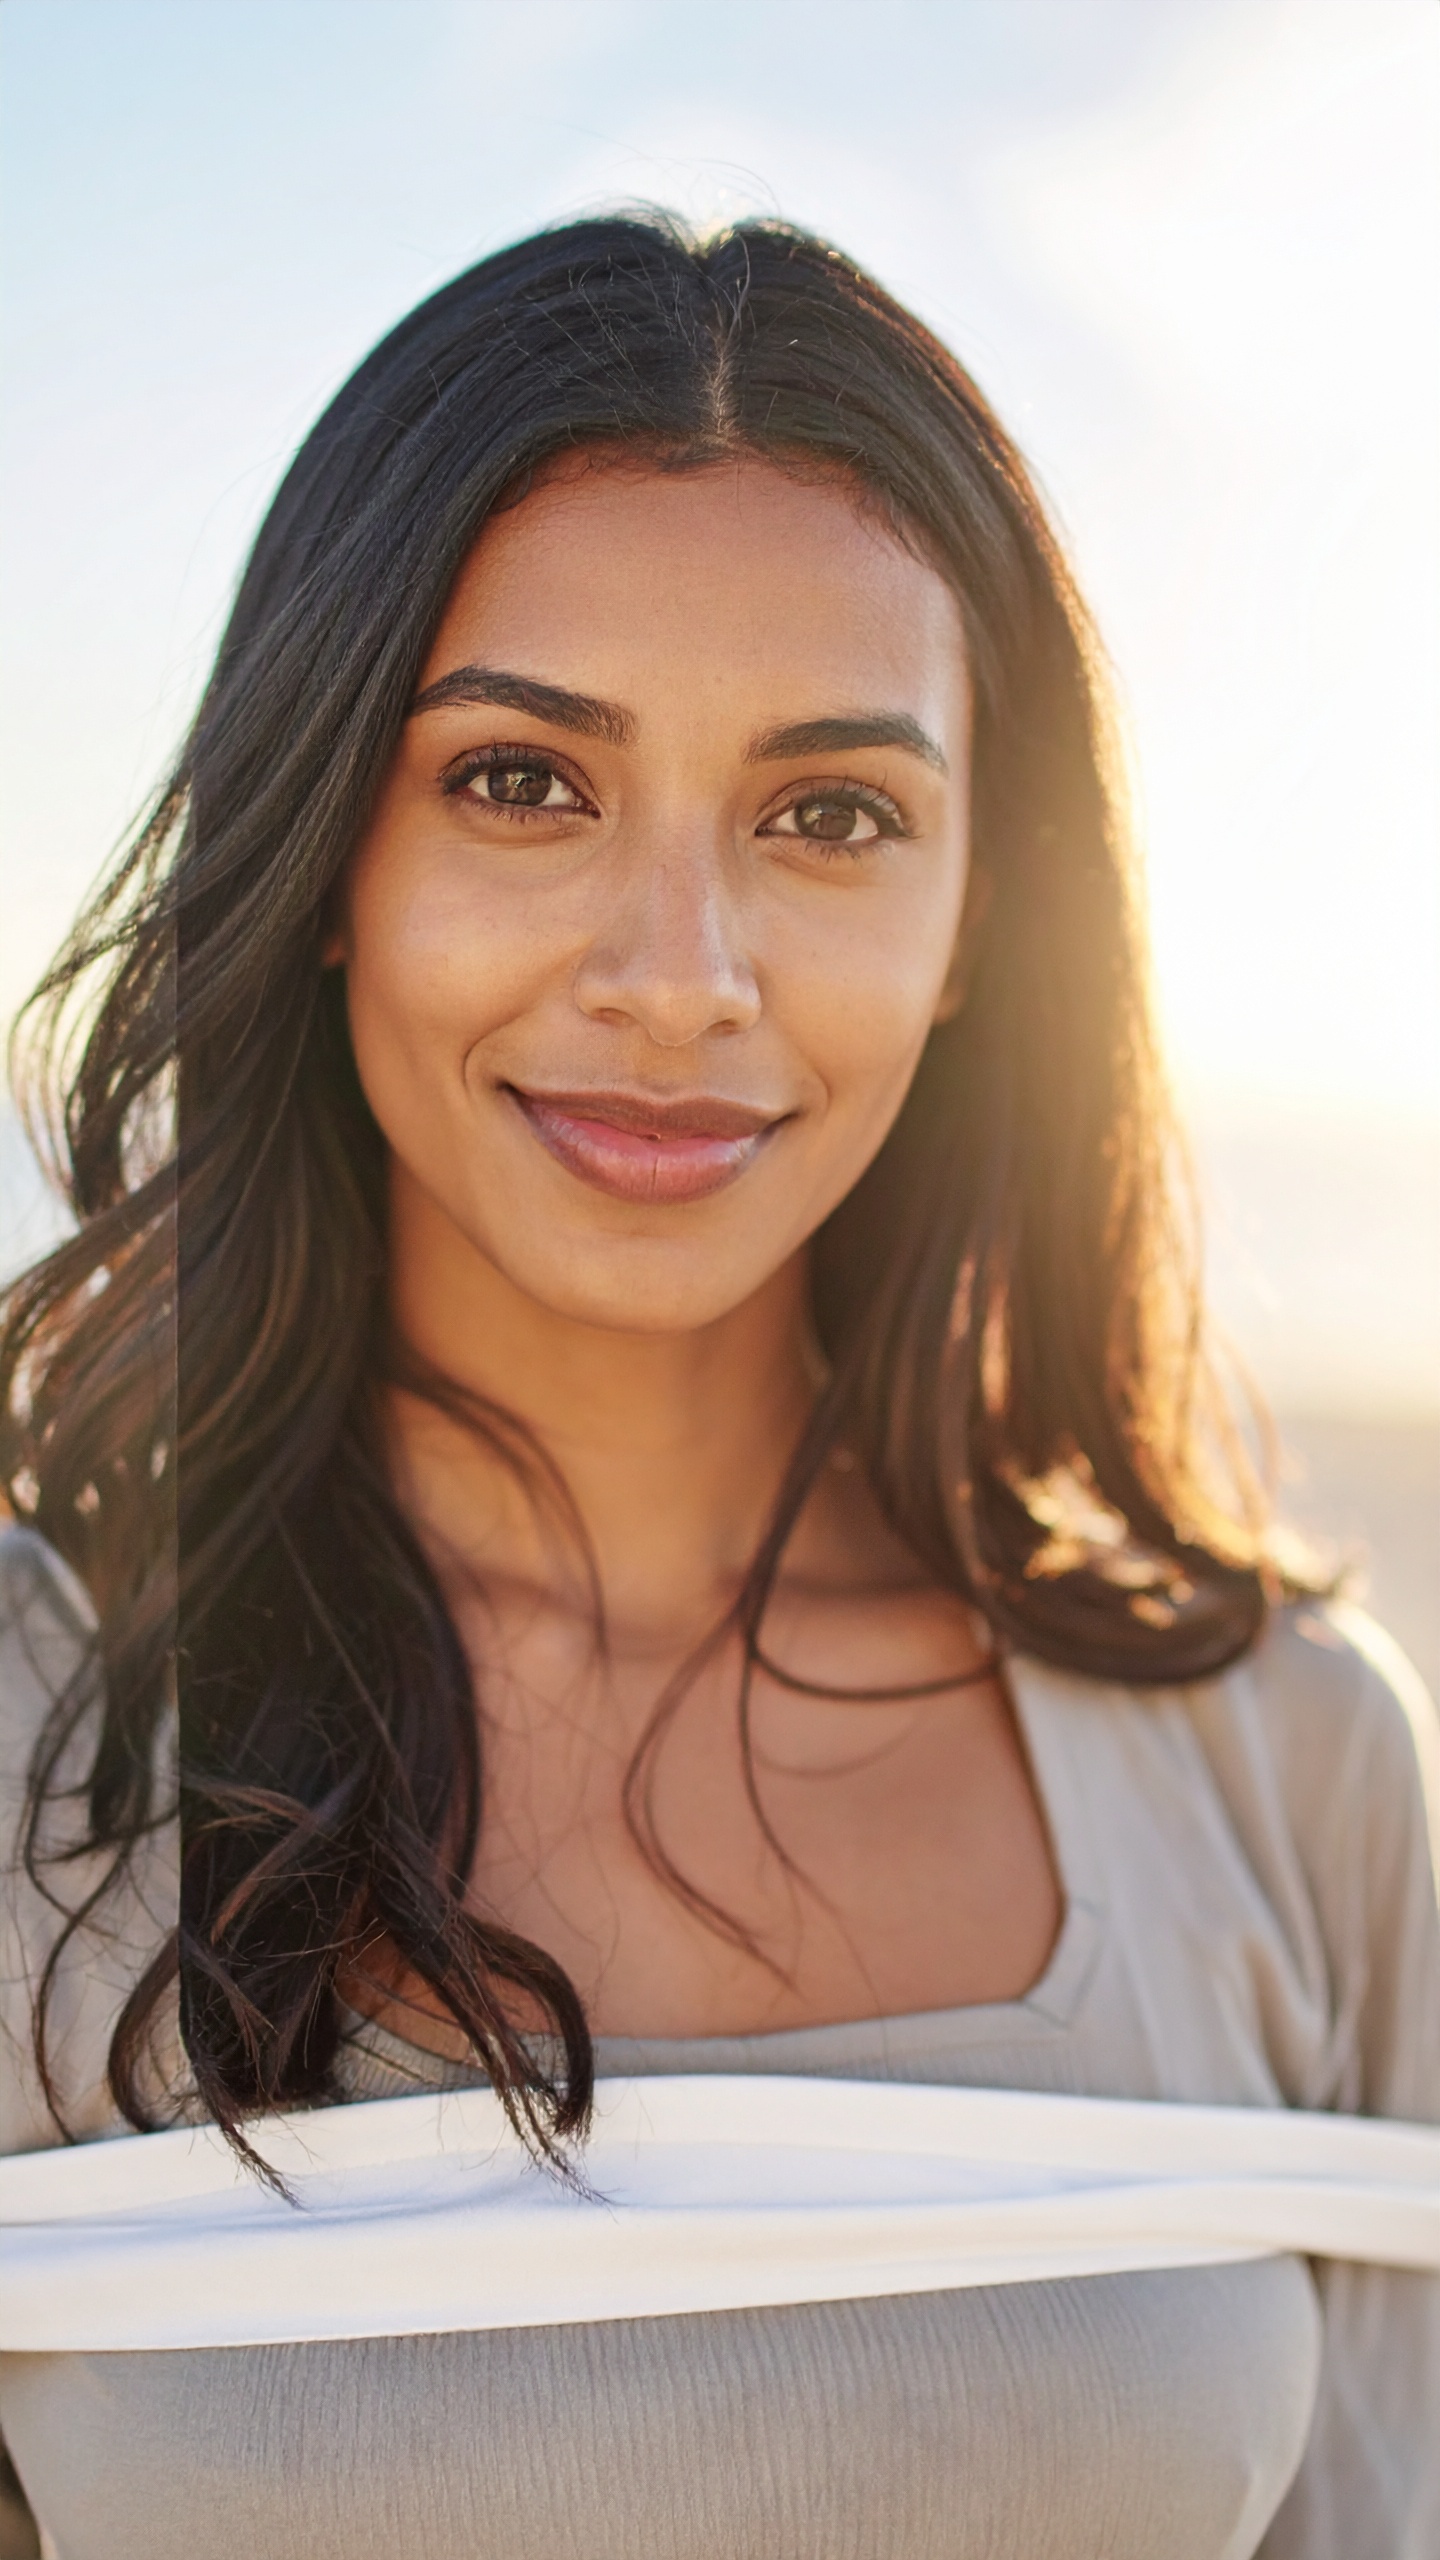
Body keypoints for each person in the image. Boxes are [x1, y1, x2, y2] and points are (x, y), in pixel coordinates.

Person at [0, 214, 1435, 2560]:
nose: (683, 976)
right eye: (520, 784)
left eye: (833, 815)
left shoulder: (1292, 1765)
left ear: (987, 914)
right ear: (325, 850)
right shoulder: (28, 1744)